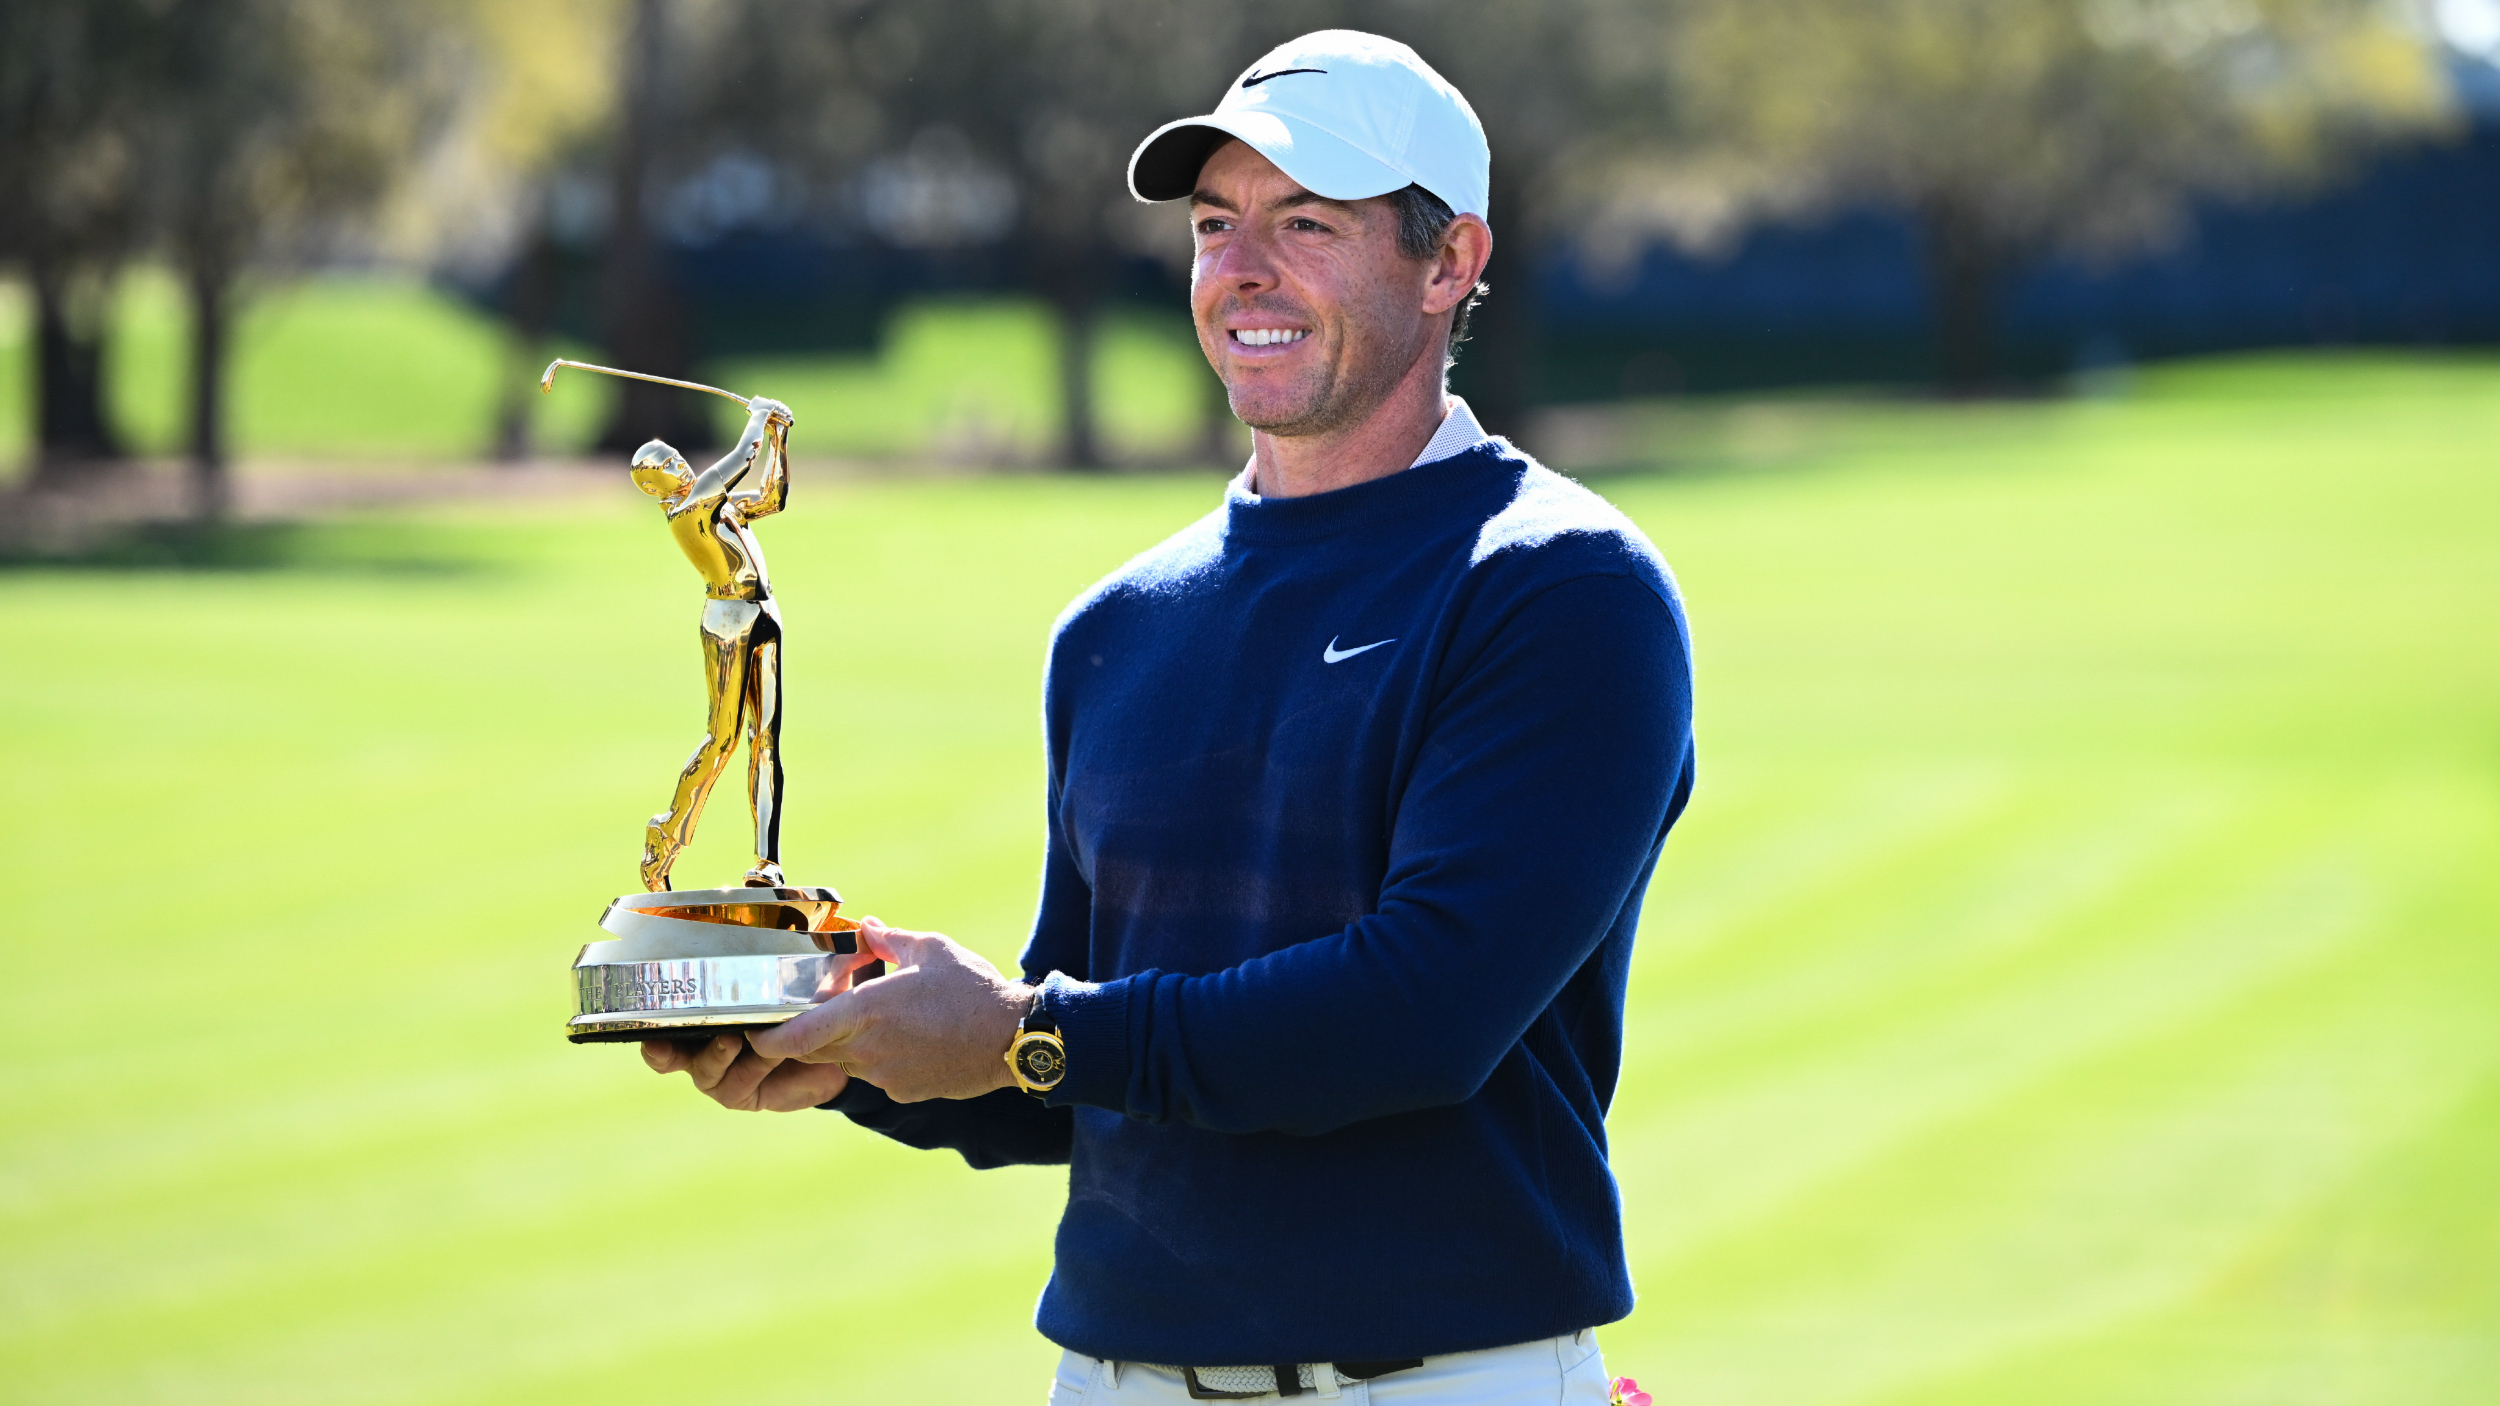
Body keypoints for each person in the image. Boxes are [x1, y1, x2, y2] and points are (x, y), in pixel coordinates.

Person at [642, 31, 1695, 1405]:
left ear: (1450, 265)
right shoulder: (1114, 629)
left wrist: (1026, 1025)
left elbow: (1422, 1010)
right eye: (1216, 224)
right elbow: (1098, 1068)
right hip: (1117, 1377)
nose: (1242, 269)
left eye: (1305, 223)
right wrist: (846, 1045)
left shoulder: (1559, 587)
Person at [625, 394, 797, 892]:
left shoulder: (717, 507)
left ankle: (767, 861)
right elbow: (741, 460)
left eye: (675, 456)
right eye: (665, 465)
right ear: (654, 485)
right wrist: (760, 419)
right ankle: (666, 838)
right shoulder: (687, 508)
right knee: (721, 740)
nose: (678, 464)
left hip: (764, 613)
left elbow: (770, 497)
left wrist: (780, 440)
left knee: (764, 742)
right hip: (726, 620)